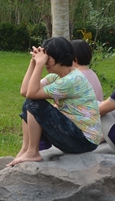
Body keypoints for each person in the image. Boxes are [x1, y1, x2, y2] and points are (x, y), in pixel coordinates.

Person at [9, 37, 101, 166]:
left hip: (84, 141)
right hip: (75, 134)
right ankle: (26, 149)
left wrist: (40, 65)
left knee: (34, 104)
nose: (45, 62)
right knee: (28, 104)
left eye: (48, 58)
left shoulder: (71, 80)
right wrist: (33, 63)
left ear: (60, 57)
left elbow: (32, 94)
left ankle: (33, 152)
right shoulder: (57, 76)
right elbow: (25, 91)